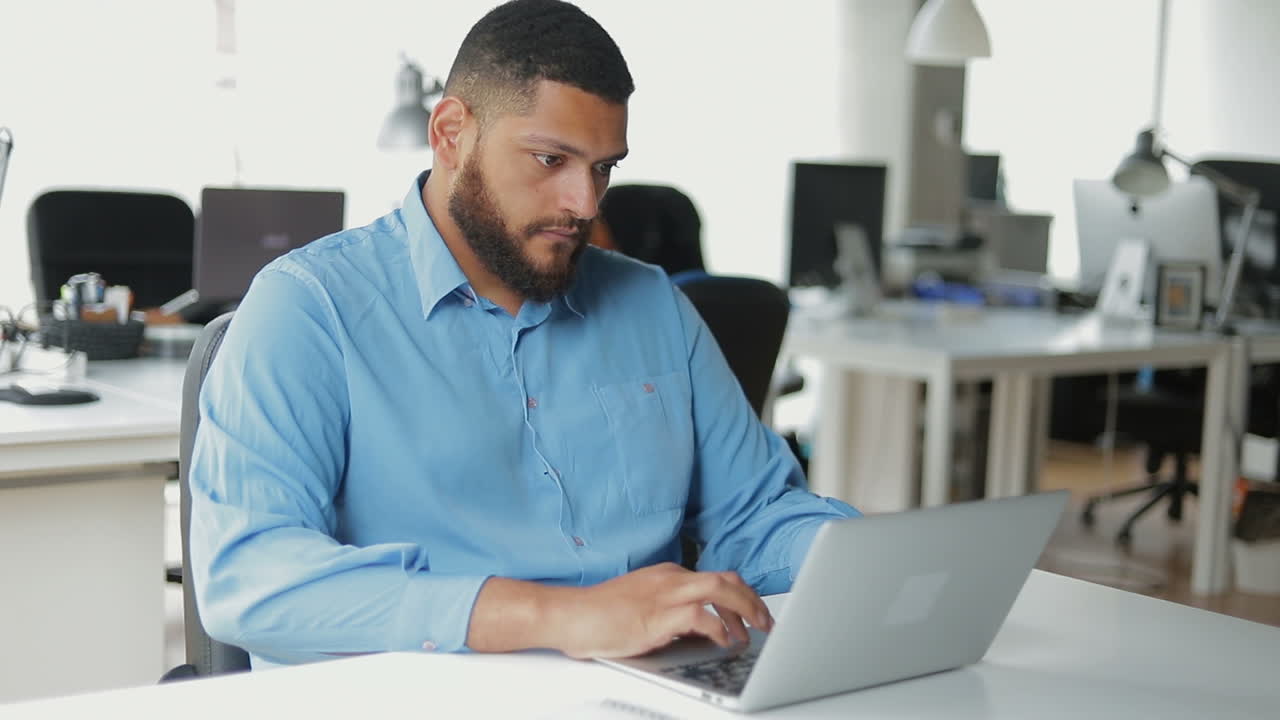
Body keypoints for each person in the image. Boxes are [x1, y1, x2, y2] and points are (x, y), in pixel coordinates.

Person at [189, 0, 859, 669]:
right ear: (452, 133)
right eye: (550, 159)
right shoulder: (308, 309)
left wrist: (872, 560)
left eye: (603, 168)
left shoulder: (653, 305)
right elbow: (251, 576)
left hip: (641, 693)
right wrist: (562, 617)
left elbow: (756, 516)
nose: (587, 204)